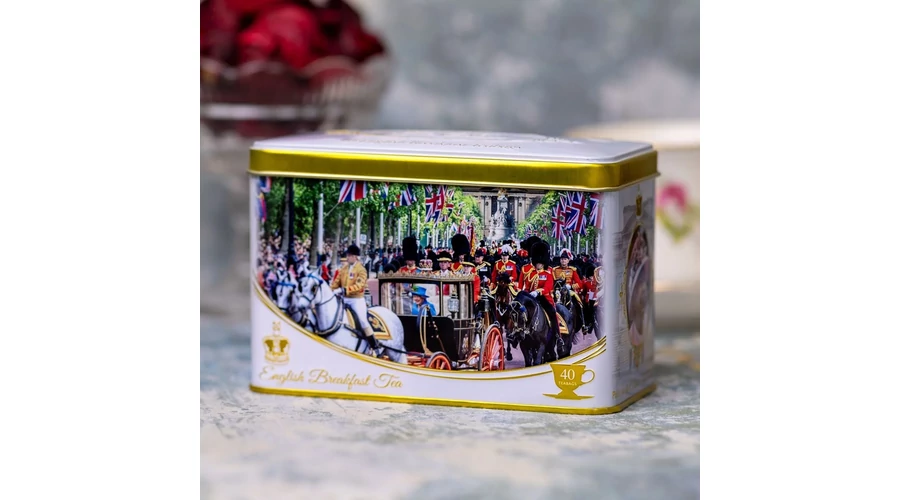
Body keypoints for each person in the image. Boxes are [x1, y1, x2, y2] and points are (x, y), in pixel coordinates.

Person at [330, 244, 379, 352]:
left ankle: (373, 345)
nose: (347, 257)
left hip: (356, 300)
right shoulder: (343, 268)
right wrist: (331, 290)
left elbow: (359, 285)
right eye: (347, 255)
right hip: (344, 298)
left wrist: (344, 290)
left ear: (355, 257)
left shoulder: (361, 270)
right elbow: (336, 282)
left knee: (363, 320)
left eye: (349, 255)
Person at [525, 241, 562, 357]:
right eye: (537, 263)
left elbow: (547, 288)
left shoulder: (548, 274)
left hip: (544, 299)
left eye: (540, 263)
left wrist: (538, 291)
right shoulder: (530, 274)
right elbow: (527, 286)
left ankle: (558, 335)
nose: (538, 265)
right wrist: (527, 293)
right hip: (532, 298)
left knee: (552, 313)